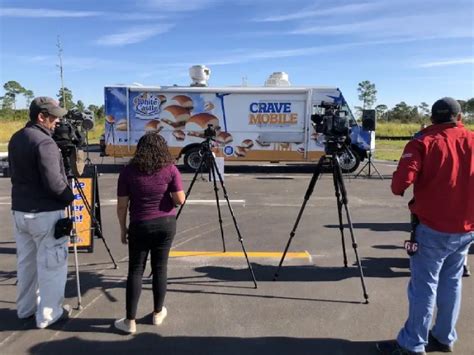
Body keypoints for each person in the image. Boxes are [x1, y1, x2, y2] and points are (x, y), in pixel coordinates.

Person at [377, 97, 474, 354]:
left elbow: (399, 185)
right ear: (460, 117)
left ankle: (413, 343)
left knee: (424, 285)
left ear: (432, 118)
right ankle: (444, 336)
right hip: (466, 228)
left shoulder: (423, 142)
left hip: (431, 227)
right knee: (452, 282)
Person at [8, 97, 75, 329]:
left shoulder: (17, 138)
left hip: (20, 211)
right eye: (53, 116)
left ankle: (25, 308)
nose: (57, 121)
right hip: (44, 213)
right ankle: (49, 314)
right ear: (41, 117)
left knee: (26, 264)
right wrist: (70, 196)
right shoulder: (44, 143)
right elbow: (54, 183)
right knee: (52, 265)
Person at [114, 131, 185, 334]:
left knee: (135, 271)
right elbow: (180, 200)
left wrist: (122, 228)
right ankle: (157, 313)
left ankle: (130, 321)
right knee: (160, 268)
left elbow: (122, 206)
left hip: (140, 224)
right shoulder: (170, 169)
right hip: (166, 223)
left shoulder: (128, 171)